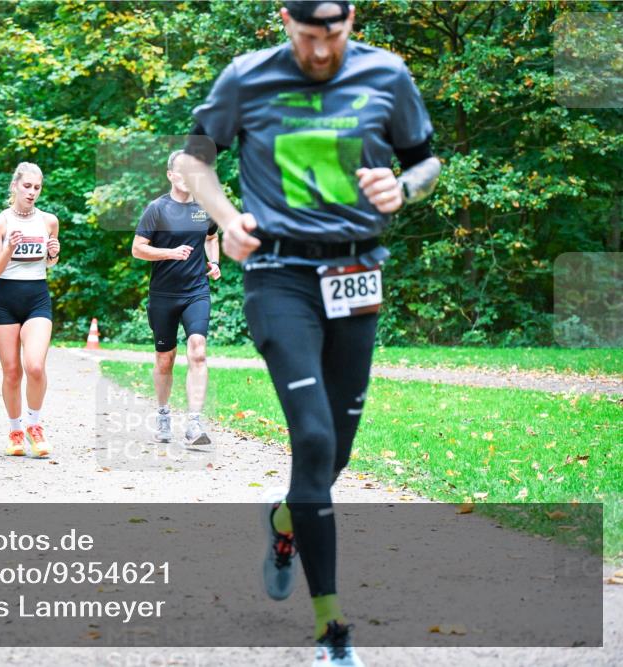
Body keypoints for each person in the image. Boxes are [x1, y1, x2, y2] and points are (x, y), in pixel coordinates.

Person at [176, 2, 441, 665]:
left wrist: (403, 188)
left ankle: (285, 518)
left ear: (352, 20)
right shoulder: (248, 77)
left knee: (334, 455)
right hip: (279, 274)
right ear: (282, 20)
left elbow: (426, 162)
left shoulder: (387, 75)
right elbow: (195, 159)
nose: (321, 52)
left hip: (356, 272)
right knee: (314, 438)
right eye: (306, 37)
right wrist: (226, 218)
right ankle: (332, 626)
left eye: (334, 36)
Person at [132, 150, 221, 446]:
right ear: (171, 175)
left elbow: (211, 237)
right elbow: (138, 249)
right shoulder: (157, 209)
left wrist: (214, 262)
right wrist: (169, 253)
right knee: (164, 359)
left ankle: (194, 423)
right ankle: (163, 414)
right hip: (163, 295)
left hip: (196, 291)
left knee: (198, 350)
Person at [0, 162, 60, 458]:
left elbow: (50, 261)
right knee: (12, 372)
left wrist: (53, 254)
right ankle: (15, 432)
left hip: (37, 298)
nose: (32, 192)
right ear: (15, 185)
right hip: (5, 300)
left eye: (37, 187)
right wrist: (8, 249)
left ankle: (34, 426)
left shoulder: (49, 221)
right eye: (27, 186)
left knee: (35, 366)